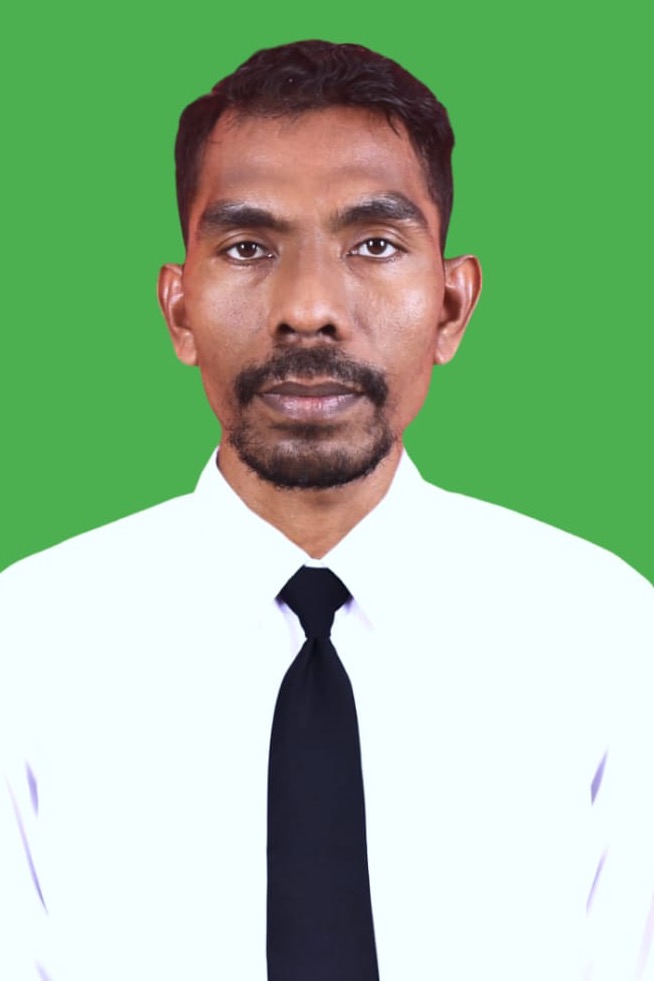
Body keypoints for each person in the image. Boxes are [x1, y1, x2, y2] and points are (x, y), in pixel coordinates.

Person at [0, 39, 652, 981]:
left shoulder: (607, 633)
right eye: (248, 247)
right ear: (179, 311)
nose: (308, 307)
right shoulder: (27, 644)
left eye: (375, 244)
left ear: (452, 304)